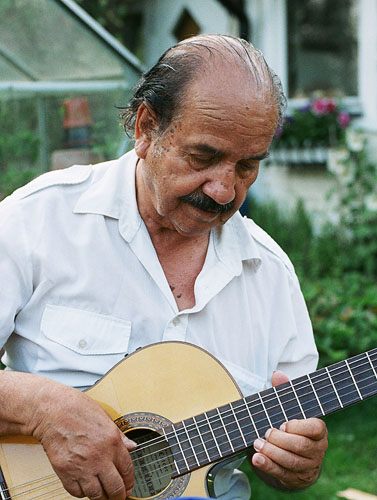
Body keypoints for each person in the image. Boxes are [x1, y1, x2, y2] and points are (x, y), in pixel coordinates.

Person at [0, 34, 327, 500]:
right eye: (204, 157)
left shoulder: (269, 273)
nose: (223, 190)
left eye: (248, 166)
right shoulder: (39, 220)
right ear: (146, 128)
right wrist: (40, 408)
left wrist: (298, 461)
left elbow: (292, 433)